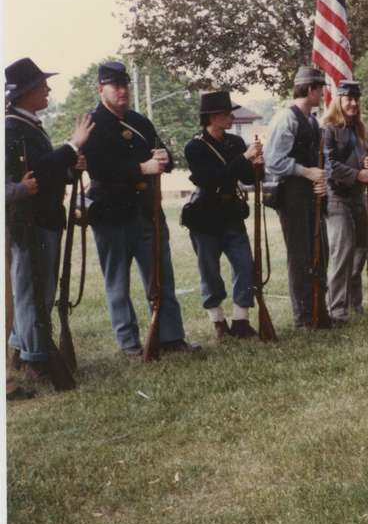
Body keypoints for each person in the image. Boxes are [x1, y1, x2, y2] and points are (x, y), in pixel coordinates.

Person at [83, 61, 195, 356]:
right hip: (111, 212)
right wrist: (141, 167)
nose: (122, 91)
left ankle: (171, 338)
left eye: (125, 85)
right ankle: (130, 344)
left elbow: (162, 152)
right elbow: (99, 168)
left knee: (161, 278)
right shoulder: (91, 124)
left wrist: (163, 157)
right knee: (117, 282)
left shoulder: (139, 121)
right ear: (101, 89)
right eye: (115, 86)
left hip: (146, 211)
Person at [5, 58, 93, 377]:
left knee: (37, 290)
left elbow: (45, 170)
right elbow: (35, 175)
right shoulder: (12, 127)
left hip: (42, 219)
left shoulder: (26, 125)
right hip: (30, 223)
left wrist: (70, 167)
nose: (47, 89)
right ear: (27, 92)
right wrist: (72, 145)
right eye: (41, 85)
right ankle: (35, 357)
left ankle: (24, 350)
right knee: (33, 292)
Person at [183, 91, 262, 340]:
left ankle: (241, 320)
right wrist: (243, 159)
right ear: (212, 117)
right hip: (204, 215)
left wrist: (257, 163)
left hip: (231, 213)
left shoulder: (235, 143)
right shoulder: (195, 147)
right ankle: (218, 322)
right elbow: (211, 179)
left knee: (244, 265)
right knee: (210, 271)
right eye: (226, 113)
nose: (231, 117)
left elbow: (247, 178)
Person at [263, 66, 330, 328]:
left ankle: (318, 311)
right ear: (310, 89)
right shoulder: (286, 119)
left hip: (311, 193)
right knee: (300, 255)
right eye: (320, 88)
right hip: (291, 195)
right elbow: (274, 160)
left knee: (319, 252)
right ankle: (303, 316)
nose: (323, 93)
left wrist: (319, 179)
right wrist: (306, 172)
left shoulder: (312, 120)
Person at [319, 80, 368, 324]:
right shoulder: (328, 129)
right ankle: (337, 310)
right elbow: (329, 165)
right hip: (337, 197)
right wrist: (357, 174)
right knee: (342, 254)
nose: (353, 103)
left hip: (358, 198)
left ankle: (355, 303)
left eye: (356, 99)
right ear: (339, 101)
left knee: (361, 251)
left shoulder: (359, 129)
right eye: (348, 99)